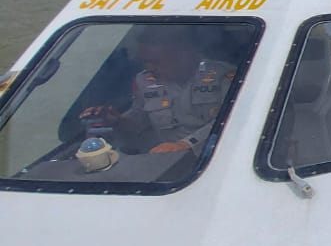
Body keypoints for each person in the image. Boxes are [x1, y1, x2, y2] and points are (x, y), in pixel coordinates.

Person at [80, 26, 236, 155]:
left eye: (155, 62)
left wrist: (186, 145)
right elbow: (140, 120)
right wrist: (118, 121)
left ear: (184, 54)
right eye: (145, 62)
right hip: (165, 160)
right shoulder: (144, 81)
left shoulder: (223, 76)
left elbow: (230, 122)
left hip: (217, 154)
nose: (149, 68)